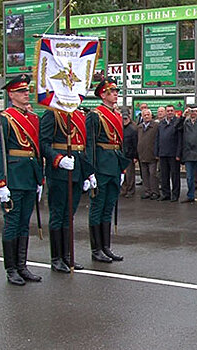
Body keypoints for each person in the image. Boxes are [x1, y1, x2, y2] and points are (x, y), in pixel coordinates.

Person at [0, 75, 43, 286]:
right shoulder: (4, 119)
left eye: (27, 90)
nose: (26, 93)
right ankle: (11, 269)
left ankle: (22, 266)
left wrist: (39, 178)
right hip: (12, 176)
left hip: (29, 175)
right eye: (21, 91)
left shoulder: (32, 118)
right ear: (11, 95)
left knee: (24, 224)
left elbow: (36, 151)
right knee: (12, 224)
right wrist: (0, 182)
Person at [40, 105, 93, 272]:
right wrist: (58, 158)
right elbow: (43, 142)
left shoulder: (77, 115)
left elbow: (82, 147)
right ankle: (57, 258)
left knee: (69, 216)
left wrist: (87, 173)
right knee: (58, 215)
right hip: (60, 170)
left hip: (77, 170)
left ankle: (68, 256)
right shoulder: (52, 114)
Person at [85, 77, 131, 263]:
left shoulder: (116, 115)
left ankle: (106, 247)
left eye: (116, 92)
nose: (115, 95)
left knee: (108, 208)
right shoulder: (95, 115)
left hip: (113, 165)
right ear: (103, 94)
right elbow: (90, 145)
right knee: (97, 207)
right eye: (112, 92)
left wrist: (121, 169)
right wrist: (91, 171)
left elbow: (119, 144)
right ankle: (96, 249)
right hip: (101, 166)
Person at [155, 104, 181, 202]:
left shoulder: (177, 122)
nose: (169, 112)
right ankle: (165, 194)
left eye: (171, 110)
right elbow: (157, 138)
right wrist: (156, 152)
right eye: (168, 111)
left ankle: (175, 195)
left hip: (173, 154)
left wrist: (178, 154)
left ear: (174, 112)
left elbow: (179, 139)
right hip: (163, 153)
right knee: (164, 175)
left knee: (175, 176)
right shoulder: (161, 124)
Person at [137, 108, 159, 200]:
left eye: (148, 115)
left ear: (151, 115)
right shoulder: (139, 127)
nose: (146, 116)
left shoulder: (156, 126)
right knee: (144, 175)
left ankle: (155, 192)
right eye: (144, 115)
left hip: (152, 155)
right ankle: (147, 191)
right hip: (142, 155)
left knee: (153, 175)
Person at [121, 107, 138, 198]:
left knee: (130, 175)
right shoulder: (120, 128)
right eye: (122, 119)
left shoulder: (132, 129)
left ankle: (131, 191)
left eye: (126, 118)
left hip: (130, 155)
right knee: (123, 174)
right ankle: (124, 190)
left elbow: (135, 144)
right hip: (122, 154)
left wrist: (135, 156)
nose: (124, 120)